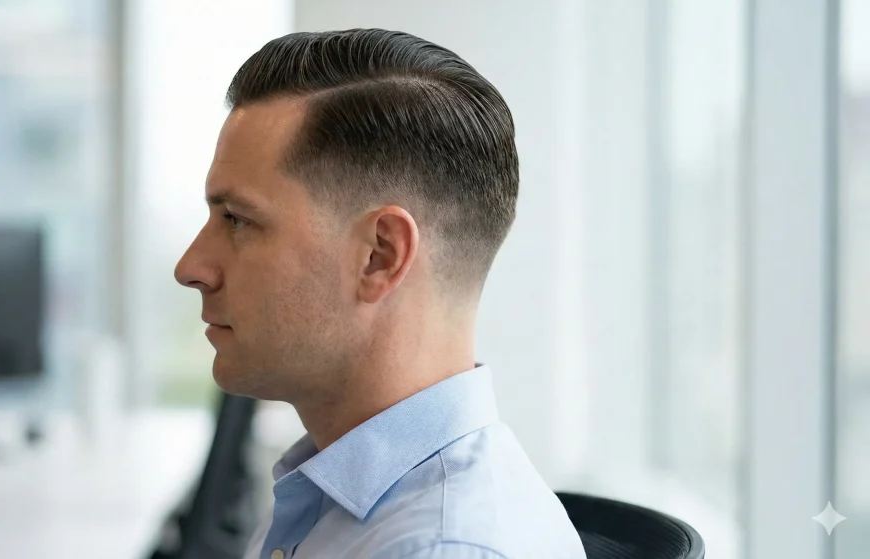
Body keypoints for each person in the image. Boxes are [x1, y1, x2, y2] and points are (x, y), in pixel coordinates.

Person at [175, 28, 586, 559]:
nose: (192, 268)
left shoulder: (439, 549)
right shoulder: (325, 500)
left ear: (379, 256)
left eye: (237, 220)